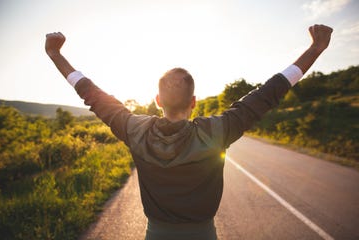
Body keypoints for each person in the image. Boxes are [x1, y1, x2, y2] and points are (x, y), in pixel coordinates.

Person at [45, 24, 332, 240]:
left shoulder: (135, 129)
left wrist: (56, 54)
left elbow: (91, 94)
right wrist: (315, 49)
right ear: (193, 102)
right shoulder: (216, 131)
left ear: (158, 101)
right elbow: (269, 93)